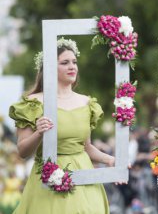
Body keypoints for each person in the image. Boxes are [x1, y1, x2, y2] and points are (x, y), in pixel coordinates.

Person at [8, 38, 114, 213]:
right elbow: (22, 151)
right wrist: (39, 133)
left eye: (74, 62)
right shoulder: (33, 103)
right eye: (65, 63)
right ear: (50, 68)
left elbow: (86, 147)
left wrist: (109, 159)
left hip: (85, 181)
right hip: (48, 180)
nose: (72, 66)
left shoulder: (86, 102)